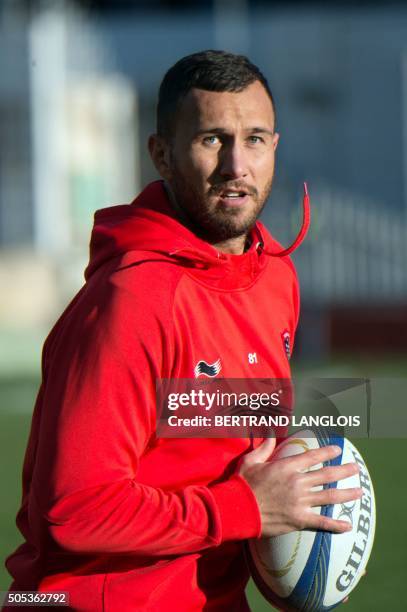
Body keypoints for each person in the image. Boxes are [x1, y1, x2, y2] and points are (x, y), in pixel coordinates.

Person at [4, 50, 361, 611]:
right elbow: (71, 509)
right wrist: (242, 508)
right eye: (212, 139)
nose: (236, 165)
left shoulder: (276, 279)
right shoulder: (133, 301)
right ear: (162, 155)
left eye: (256, 139)